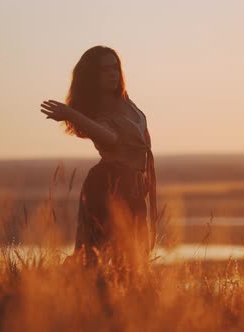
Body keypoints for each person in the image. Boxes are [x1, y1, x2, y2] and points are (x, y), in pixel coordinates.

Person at [40, 46, 157, 272]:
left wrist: (143, 175)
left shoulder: (125, 101)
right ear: (93, 77)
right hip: (108, 184)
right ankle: (69, 294)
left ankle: (127, 301)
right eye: (105, 70)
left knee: (137, 257)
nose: (113, 73)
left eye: (115, 67)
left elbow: (142, 138)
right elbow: (111, 139)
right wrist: (72, 115)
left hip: (133, 186)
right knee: (93, 255)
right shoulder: (97, 112)